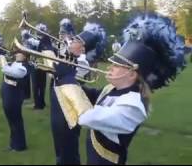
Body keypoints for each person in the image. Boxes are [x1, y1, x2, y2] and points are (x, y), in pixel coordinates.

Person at [53, 13, 186, 165]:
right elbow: (89, 96)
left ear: (132, 74)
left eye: (117, 65)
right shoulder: (112, 89)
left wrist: (68, 80)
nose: (110, 67)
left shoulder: (133, 105)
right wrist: (69, 72)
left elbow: (87, 117)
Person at [51, 20, 107, 165]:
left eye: (75, 41)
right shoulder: (69, 56)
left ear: (82, 49)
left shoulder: (81, 62)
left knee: (67, 145)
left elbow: (61, 73)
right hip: (59, 100)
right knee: (59, 143)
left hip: (70, 106)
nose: (70, 41)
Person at [0, 45, 29, 152]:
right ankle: (13, 144)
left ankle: (20, 145)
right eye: (18, 52)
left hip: (14, 96)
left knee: (16, 120)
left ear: (25, 56)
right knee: (11, 121)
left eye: (20, 53)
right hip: (8, 94)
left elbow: (6, 70)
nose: (17, 54)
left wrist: (1, 55)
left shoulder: (23, 68)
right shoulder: (15, 63)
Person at [30, 23, 49, 110]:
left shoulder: (44, 40)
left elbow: (43, 48)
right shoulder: (34, 40)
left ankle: (39, 103)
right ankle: (39, 103)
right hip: (35, 64)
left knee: (39, 85)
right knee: (38, 85)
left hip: (41, 64)